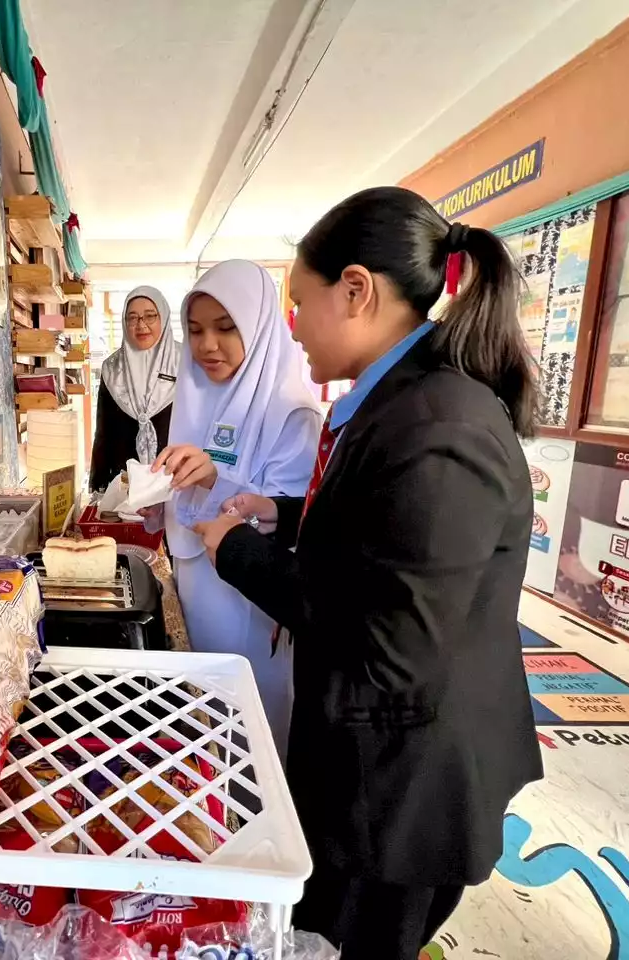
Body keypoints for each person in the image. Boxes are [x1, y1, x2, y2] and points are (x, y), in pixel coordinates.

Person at [190, 188, 543, 958]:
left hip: (400, 788)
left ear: (355, 291)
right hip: (370, 761)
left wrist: (237, 553)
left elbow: (392, 642)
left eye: (299, 303)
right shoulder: (395, 403)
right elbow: (385, 536)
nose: (293, 330)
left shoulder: (440, 425)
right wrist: (285, 512)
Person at [152, 260, 320, 755]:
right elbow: (189, 490)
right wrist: (159, 503)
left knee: (249, 723)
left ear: (261, 327)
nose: (207, 345)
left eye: (226, 329)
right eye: (196, 330)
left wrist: (212, 476)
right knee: (202, 715)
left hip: (251, 595)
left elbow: (284, 518)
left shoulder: (291, 411)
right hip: (196, 580)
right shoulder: (196, 394)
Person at [90, 287, 179, 490]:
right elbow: (103, 433)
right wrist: (98, 487)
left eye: (150, 316)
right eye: (132, 318)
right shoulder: (112, 368)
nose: (141, 325)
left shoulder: (184, 363)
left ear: (163, 319)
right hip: (124, 481)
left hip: (174, 481)